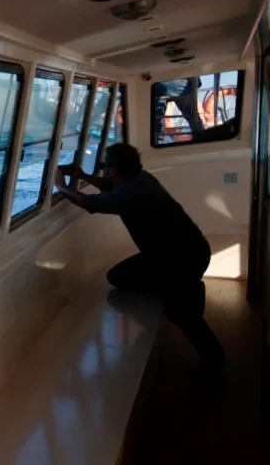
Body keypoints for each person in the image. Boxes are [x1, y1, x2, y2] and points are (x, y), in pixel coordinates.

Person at [54, 143, 226, 370]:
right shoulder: (141, 179)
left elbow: (89, 203)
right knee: (117, 277)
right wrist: (83, 176)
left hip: (182, 259)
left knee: (183, 315)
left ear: (114, 170)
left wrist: (60, 186)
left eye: (106, 167)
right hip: (179, 253)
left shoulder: (129, 194)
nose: (105, 171)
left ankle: (215, 360)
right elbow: (109, 187)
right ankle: (176, 288)